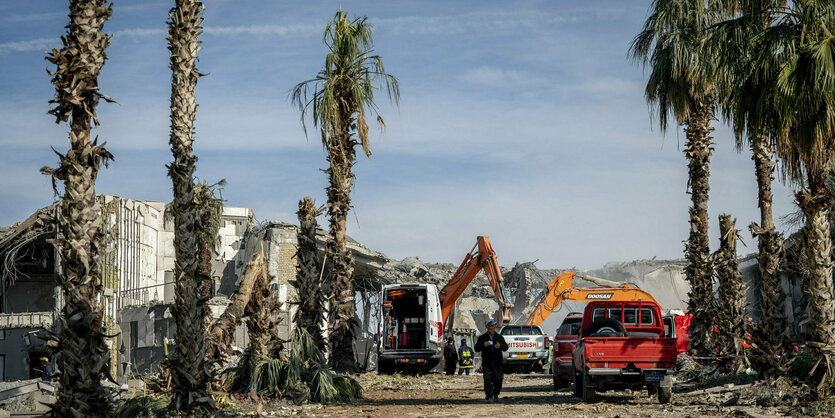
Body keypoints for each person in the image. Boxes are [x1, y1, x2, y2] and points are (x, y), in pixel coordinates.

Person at [474, 319, 508, 402]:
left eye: (492, 326)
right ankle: (489, 396)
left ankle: (496, 394)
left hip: (497, 362)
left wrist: (500, 346)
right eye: (489, 326)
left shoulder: (499, 337)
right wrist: (483, 345)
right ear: (486, 327)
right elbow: (476, 348)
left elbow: (506, 347)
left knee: (498, 379)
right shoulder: (482, 337)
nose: (491, 328)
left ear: (495, 327)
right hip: (487, 362)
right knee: (487, 380)